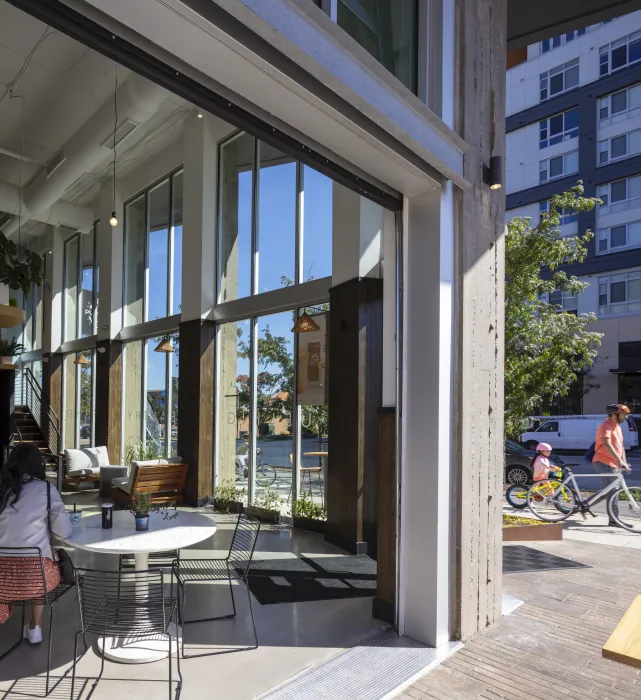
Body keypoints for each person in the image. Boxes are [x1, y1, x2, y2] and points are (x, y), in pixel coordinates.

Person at [0, 444, 72, 642]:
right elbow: (63, 530)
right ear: (37, 465)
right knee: (40, 565)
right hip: (35, 578)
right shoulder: (46, 490)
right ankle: (35, 627)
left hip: (2, 581)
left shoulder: (2, 491)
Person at [592, 403, 632, 527]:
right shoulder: (606, 426)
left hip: (613, 462)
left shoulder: (617, 427)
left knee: (609, 490)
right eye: (623, 414)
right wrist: (619, 461)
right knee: (613, 490)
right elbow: (607, 444)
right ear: (615, 414)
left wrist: (623, 461)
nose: (625, 417)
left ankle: (585, 504)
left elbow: (621, 447)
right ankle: (614, 520)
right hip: (603, 461)